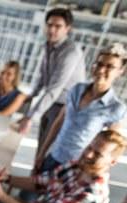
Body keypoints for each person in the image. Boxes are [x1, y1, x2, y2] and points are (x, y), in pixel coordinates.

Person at [0, 130, 126, 203]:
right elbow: (40, 182)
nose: (88, 154)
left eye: (98, 154)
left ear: (112, 162)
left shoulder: (91, 194)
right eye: (90, 147)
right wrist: (8, 179)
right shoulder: (76, 166)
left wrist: (2, 196)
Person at [34, 43, 127, 174]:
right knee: (27, 194)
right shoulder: (77, 89)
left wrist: (90, 175)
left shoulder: (116, 108)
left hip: (77, 168)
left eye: (110, 67)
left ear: (120, 72)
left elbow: (108, 149)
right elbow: (59, 122)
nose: (101, 70)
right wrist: (41, 153)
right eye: (99, 64)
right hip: (53, 156)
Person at [17, 8, 86, 158]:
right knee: (41, 145)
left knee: (48, 149)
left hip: (65, 107)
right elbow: (43, 76)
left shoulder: (71, 52)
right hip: (52, 102)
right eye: (49, 25)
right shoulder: (48, 46)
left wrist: (30, 117)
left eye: (58, 26)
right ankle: (34, 177)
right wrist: (31, 95)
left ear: (68, 28)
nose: (52, 30)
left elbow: (55, 87)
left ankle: (38, 178)